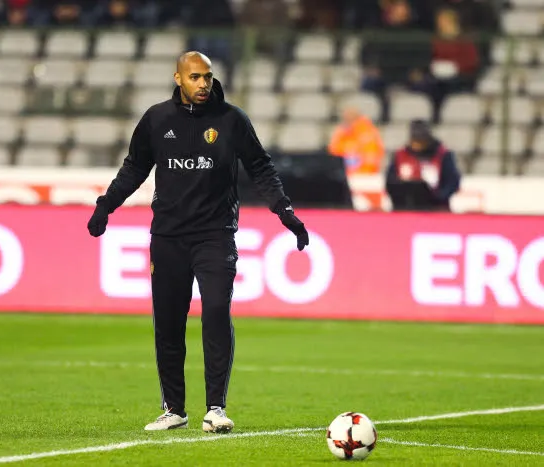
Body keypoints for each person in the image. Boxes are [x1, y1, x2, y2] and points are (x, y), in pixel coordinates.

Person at [87, 51, 309, 433]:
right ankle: (174, 408)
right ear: (178, 78)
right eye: (194, 77)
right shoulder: (157, 120)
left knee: (217, 311)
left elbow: (260, 166)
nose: (203, 84)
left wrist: (285, 212)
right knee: (169, 324)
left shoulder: (231, 120)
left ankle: (216, 408)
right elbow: (135, 167)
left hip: (215, 234)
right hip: (168, 237)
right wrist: (106, 205)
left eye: (207, 76)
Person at [385, 119, 461, 211]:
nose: (417, 145)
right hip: (404, 207)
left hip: (436, 209)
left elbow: (452, 182)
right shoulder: (400, 155)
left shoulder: (443, 155)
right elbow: (390, 181)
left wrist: (438, 196)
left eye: (420, 141)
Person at [328, 106, 385, 175]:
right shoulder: (340, 133)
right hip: (344, 175)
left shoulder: (368, 133)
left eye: (351, 118)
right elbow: (334, 154)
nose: (347, 121)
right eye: (346, 118)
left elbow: (371, 159)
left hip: (365, 176)